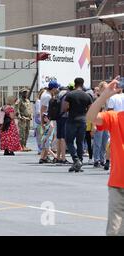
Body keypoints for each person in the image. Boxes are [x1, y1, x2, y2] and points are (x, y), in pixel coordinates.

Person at [86, 77, 124, 236]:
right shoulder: (115, 117)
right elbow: (91, 118)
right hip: (118, 185)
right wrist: (103, 96)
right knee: (114, 231)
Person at [63, 78, 93, 173]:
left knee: (69, 141)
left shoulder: (70, 95)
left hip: (72, 120)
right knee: (80, 142)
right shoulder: (87, 96)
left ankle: (76, 160)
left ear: (75, 84)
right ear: (82, 84)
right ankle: (79, 162)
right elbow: (90, 109)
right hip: (83, 121)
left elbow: (65, 108)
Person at [40, 81, 60, 160]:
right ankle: (48, 157)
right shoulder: (47, 96)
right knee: (48, 138)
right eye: (56, 88)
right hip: (47, 119)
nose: (57, 90)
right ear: (54, 88)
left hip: (48, 119)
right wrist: (43, 122)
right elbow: (43, 110)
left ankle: (44, 157)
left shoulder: (46, 94)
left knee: (48, 138)